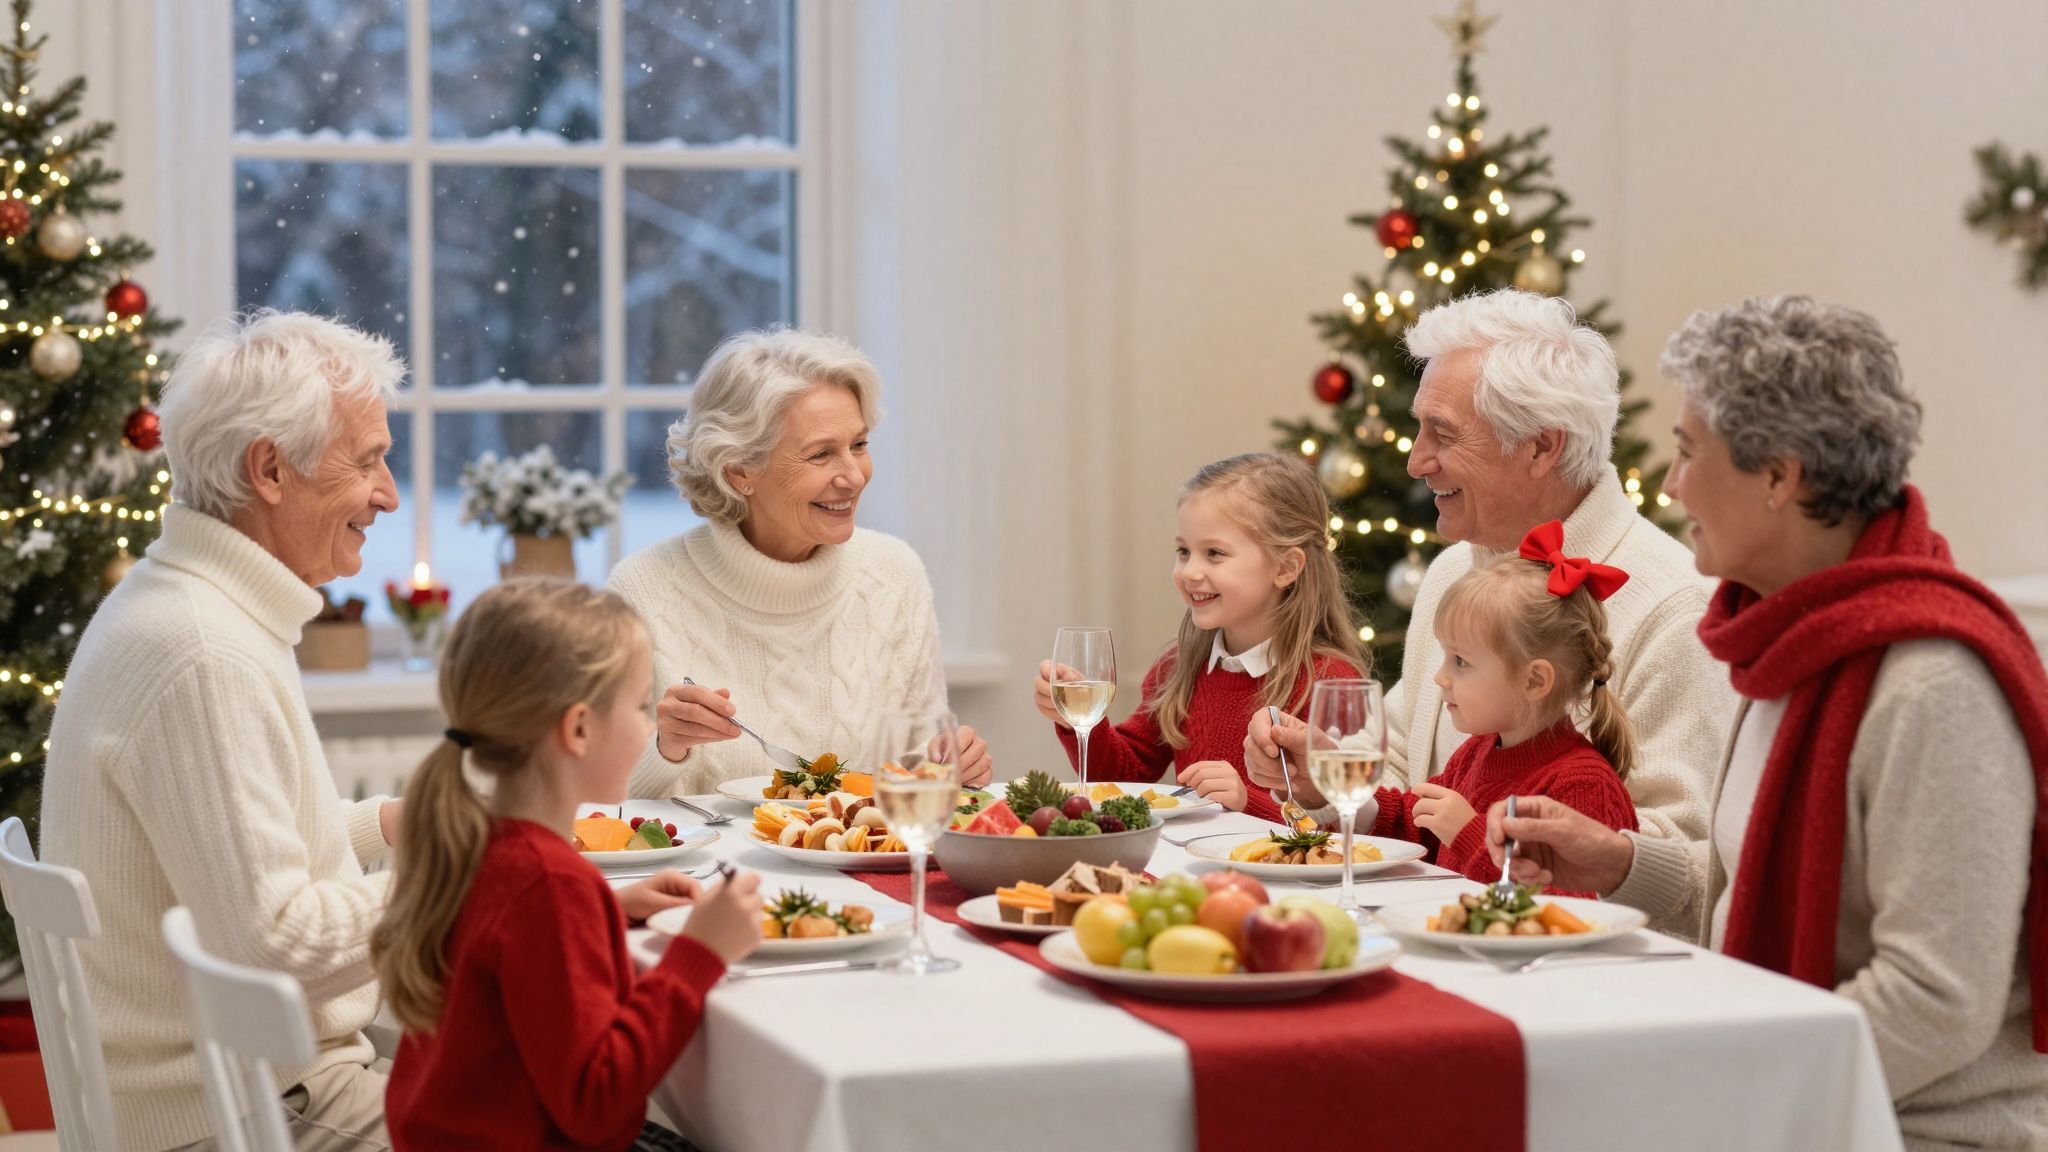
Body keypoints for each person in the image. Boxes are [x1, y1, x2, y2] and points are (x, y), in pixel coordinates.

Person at [1485, 296, 2048, 1149]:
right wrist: (1620, 861)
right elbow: (1747, 899)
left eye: (1687, 452)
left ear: (1780, 477)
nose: (1670, 484)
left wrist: (1723, 1085)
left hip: (1910, 1131)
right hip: (1804, 1097)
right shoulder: (1783, 646)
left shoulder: (1932, 684)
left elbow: (1939, 1001)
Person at [1245, 289, 1731, 929]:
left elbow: (1697, 874)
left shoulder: (1677, 608)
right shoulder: (1456, 571)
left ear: (1541, 447)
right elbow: (1406, 768)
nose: (1415, 461)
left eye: (1442, 433)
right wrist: (1325, 776)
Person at [41, 311, 405, 1150]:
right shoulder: (203, 654)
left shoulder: (188, 603)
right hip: (248, 1112)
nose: (388, 493)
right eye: (366, 461)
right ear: (269, 469)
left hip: (247, 1087)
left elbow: (228, 849)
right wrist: (471, 877)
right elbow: (277, 944)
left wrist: (392, 823)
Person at [377, 579, 761, 1150]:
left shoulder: (480, 844)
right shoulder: (550, 884)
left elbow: (516, 947)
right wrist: (697, 954)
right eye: (639, 707)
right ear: (579, 729)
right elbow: (597, 1103)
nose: (647, 726)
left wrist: (606, 908)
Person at [610, 328, 992, 796]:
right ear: (739, 471)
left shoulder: (895, 574)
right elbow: (603, 805)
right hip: (708, 850)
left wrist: (951, 766)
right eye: (821, 454)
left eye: (859, 445)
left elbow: (919, 774)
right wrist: (666, 748)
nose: (853, 476)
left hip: (865, 846)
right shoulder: (643, 589)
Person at [1031, 453, 1366, 821]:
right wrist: (1080, 724)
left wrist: (1247, 802)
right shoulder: (1177, 668)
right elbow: (1123, 774)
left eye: (1214, 553)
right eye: (1183, 551)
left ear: (1285, 567)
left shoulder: (1331, 682)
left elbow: (1342, 826)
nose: (1190, 571)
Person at [1356, 521, 1637, 890]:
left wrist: (1468, 834)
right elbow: (1417, 824)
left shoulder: (1582, 786)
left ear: (1534, 681)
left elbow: (1567, 909)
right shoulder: (1477, 752)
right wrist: (1342, 801)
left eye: (1461, 661)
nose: (1440, 677)